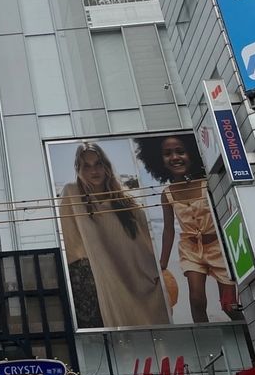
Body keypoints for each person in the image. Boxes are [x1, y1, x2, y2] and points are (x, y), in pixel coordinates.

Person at [59, 142, 170, 328]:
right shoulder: (72, 192)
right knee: (125, 336)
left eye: (98, 163)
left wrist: (161, 269)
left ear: (106, 166)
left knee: (158, 332)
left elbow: (149, 237)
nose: (94, 170)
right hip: (109, 279)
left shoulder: (125, 201)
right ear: (79, 169)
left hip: (142, 279)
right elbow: (71, 242)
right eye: (87, 165)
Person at [135, 134, 242, 322]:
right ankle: (208, 346)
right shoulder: (166, 194)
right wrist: (162, 263)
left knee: (229, 306)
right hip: (190, 250)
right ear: (159, 160)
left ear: (192, 153)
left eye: (180, 151)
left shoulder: (208, 183)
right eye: (167, 154)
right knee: (196, 301)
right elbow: (169, 230)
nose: (175, 157)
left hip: (219, 248)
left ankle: (248, 339)